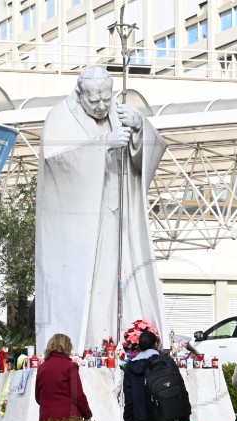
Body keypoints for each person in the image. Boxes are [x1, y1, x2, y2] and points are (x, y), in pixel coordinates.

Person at [35, 65, 169, 354]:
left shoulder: (118, 113)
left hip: (118, 218)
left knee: (118, 281)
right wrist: (103, 146)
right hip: (81, 226)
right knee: (90, 286)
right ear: (80, 94)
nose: (101, 106)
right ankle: (90, 343)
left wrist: (139, 127)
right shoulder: (59, 117)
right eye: (93, 100)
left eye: (106, 99)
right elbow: (56, 163)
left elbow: (151, 154)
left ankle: (121, 339)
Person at [35, 333, 93, 421]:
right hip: (67, 420)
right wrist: (87, 414)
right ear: (67, 347)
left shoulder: (42, 368)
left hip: (46, 420)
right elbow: (78, 395)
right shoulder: (70, 366)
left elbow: (38, 397)